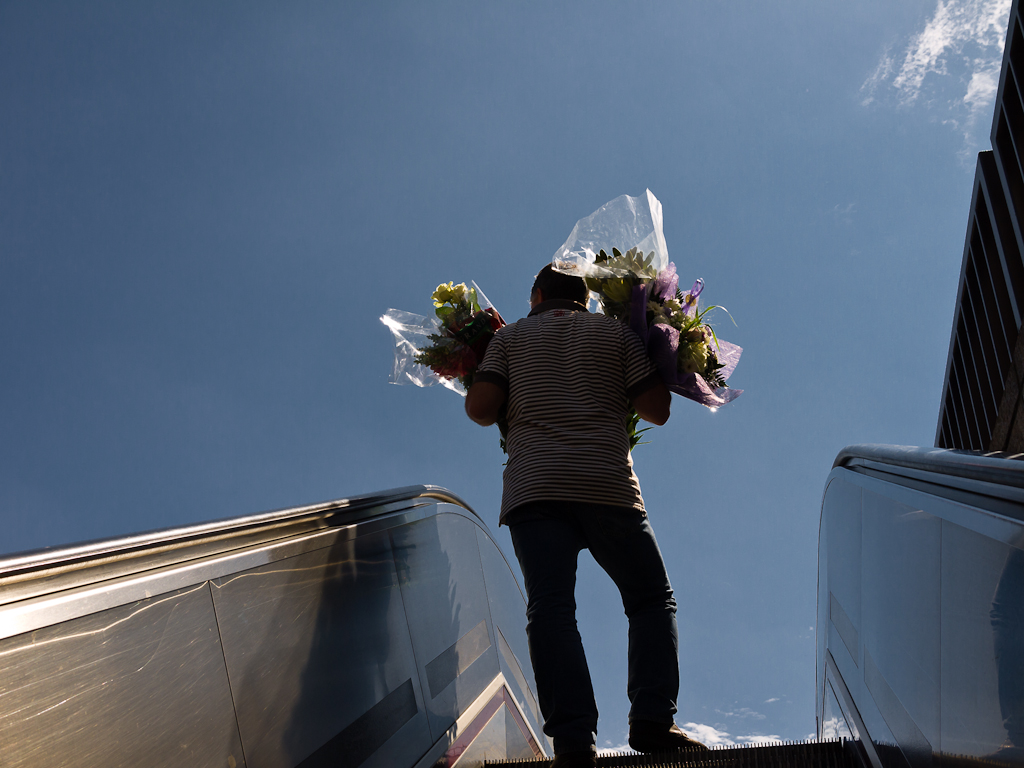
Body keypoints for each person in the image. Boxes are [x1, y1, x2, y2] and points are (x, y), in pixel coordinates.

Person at [465, 264, 708, 767]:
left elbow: (482, 408)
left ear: (536, 296)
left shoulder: (508, 339)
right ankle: (652, 720)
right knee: (649, 600)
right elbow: (655, 409)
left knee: (551, 610)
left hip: (535, 490)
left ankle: (573, 742)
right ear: (589, 298)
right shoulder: (617, 332)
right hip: (606, 486)